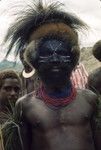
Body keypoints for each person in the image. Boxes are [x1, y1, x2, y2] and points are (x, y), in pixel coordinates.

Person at [2, 1, 101, 150]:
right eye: (46, 54)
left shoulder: (90, 99)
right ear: (34, 59)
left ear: (73, 58)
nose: (55, 59)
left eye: (62, 53)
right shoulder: (25, 106)